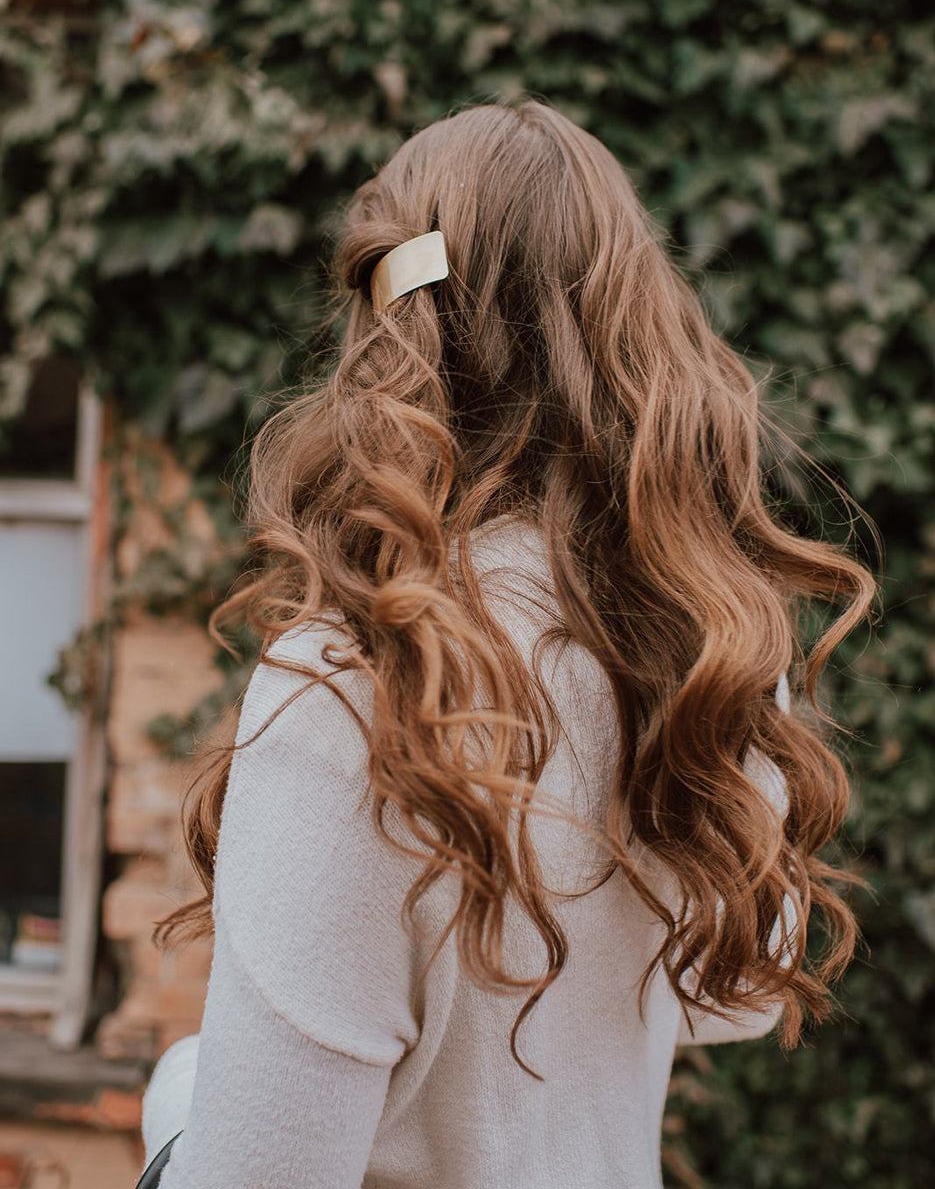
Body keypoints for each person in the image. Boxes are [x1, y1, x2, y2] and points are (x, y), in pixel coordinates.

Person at [141, 97, 874, 1188]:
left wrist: (178, 1095)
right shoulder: (703, 652)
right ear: (635, 322)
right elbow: (732, 998)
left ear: (387, 330)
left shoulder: (354, 690)